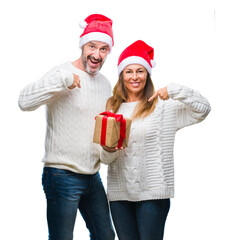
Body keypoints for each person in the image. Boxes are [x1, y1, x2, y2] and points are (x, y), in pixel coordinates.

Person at [100, 40, 211, 240]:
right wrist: (107, 149)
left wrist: (176, 89)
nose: (135, 77)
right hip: (119, 195)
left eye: (140, 71)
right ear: (121, 75)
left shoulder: (163, 107)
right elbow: (106, 159)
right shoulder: (111, 107)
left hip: (153, 194)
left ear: (147, 74)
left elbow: (203, 109)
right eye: (129, 71)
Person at [18, 14, 115, 240]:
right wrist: (62, 80)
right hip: (61, 175)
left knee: (106, 236)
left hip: (93, 176)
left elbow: (101, 133)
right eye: (92, 46)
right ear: (83, 45)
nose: (97, 55)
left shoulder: (105, 84)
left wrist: (108, 150)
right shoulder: (61, 73)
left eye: (103, 49)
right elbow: (24, 102)